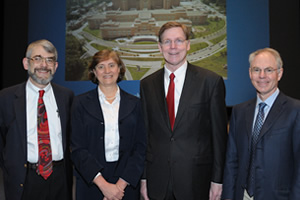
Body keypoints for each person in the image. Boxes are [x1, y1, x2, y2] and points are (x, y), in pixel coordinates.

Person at [140, 21, 228, 200]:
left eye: (179, 41)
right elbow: (144, 135)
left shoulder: (210, 82)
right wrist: (143, 177)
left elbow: (219, 138)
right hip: (157, 182)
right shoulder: (147, 84)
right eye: (167, 41)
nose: (173, 47)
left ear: (188, 45)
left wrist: (218, 180)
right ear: (159, 47)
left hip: (196, 181)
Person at [222, 48, 300, 200]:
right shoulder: (239, 111)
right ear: (250, 73)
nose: (262, 76)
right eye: (257, 70)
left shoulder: (296, 111)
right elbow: (232, 162)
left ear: (280, 73)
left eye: (269, 70)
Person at [0, 39, 74, 200]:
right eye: (38, 58)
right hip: (24, 180)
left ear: (56, 66)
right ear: (26, 63)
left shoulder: (67, 96)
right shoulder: (6, 98)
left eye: (50, 60)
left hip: (60, 179)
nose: (44, 65)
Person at [71, 49, 146, 200]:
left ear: (119, 69)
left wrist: (119, 187)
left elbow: (141, 148)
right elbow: (77, 148)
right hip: (91, 182)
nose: (107, 71)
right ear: (94, 71)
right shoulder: (79, 103)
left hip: (126, 184)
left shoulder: (136, 104)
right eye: (101, 66)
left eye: (111, 65)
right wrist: (104, 186)